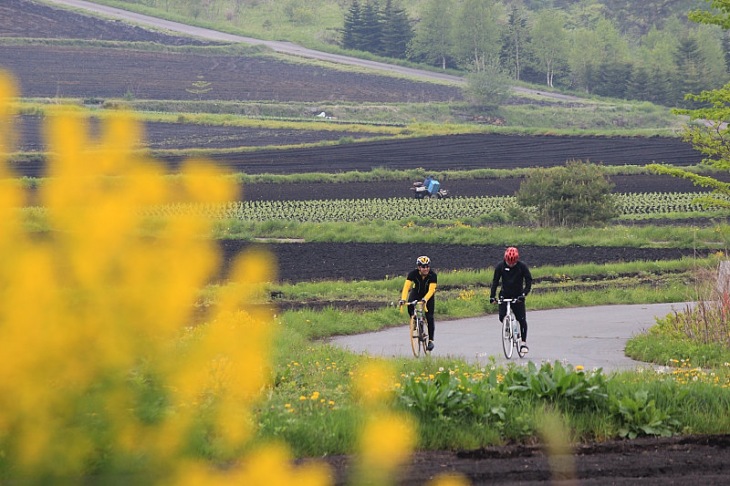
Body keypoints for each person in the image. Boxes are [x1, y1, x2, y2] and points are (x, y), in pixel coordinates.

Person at [489, 247, 533, 354]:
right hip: (505, 294)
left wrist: (523, 294)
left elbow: (528, 281)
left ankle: (523, 343)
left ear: (517, 260)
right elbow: (495, 282)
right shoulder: (500, 266)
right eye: (509, 262)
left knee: (521, 319)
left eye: (513, 263)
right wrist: (492, 296)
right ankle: (508, 328)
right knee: (502, 317)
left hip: (518, 296)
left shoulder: (522, 267)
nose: (511, 264)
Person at [398, 255, 438, 351]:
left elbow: (432, 290)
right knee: (410, 305)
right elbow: (406, 287)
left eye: (428, 266)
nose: (426, 269)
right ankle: (414, 321)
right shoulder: (413, 274)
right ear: (419, 267)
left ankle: (431, 340)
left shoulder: (433, 275)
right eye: (423, 267)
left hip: (428, 295)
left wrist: (425, 299)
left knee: (429, 316)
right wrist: (403, 299)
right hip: (416, 293)